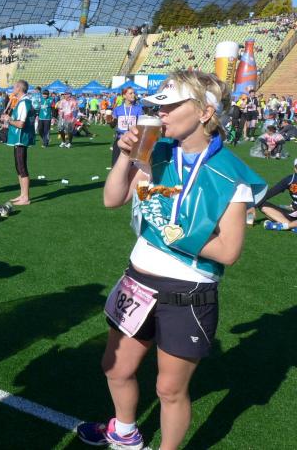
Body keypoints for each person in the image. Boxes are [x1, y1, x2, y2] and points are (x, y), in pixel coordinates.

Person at [78, 71, 265, 450]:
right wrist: (125, 157)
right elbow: (112, 199)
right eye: (158, 107)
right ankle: (124, 432)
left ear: (204, 112)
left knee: (169, 389)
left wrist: (174, 232)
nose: (160, 114)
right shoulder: (156, 151)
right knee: (116, 368)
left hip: (188, 293)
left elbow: (228, 250)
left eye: (170, 107)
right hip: (137, 281)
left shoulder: (231, 173)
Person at [6, 80, 34, 206]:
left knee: (22, 167)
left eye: (14, 87)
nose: (13, 89)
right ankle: (22, 194)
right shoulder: (22, 102)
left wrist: (9, 120)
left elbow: (21, 124)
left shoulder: (24, 103)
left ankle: (25, 197)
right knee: (18, 167)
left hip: (21, 139)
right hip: (18, 139)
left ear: (19, 88)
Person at [257, 157, 297, 231]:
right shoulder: (290, 180)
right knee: (262, 205)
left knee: (271, 217)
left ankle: (285, 226)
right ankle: (291, 226)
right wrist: (253, 207)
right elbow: (270, 193)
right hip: (292, 212)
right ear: (295, 168)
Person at [110, 87, 144, 166]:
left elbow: (141, 125)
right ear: (124, 96)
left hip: (133, 141)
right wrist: (109, 121)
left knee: (133, 167)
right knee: (116, 165)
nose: (133, 95)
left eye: (134, 93)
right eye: (130, 93)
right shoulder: (117, 109)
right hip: (120, 140)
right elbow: (112, 126)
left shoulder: (138, 109)